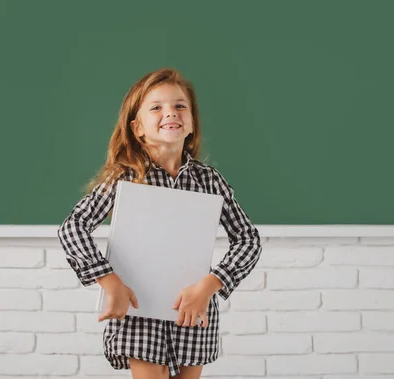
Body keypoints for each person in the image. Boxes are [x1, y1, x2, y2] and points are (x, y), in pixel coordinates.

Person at [57, 68, 262, 379]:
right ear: (137, 127)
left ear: (192, 122)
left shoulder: (209, 181)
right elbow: (73, 227)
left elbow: (248, 239)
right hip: (139, 311)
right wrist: (109, 282)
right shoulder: (125, 177)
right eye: (156, 107)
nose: (171, 113)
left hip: (193, 309)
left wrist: (210, 285)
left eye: (180, 106)